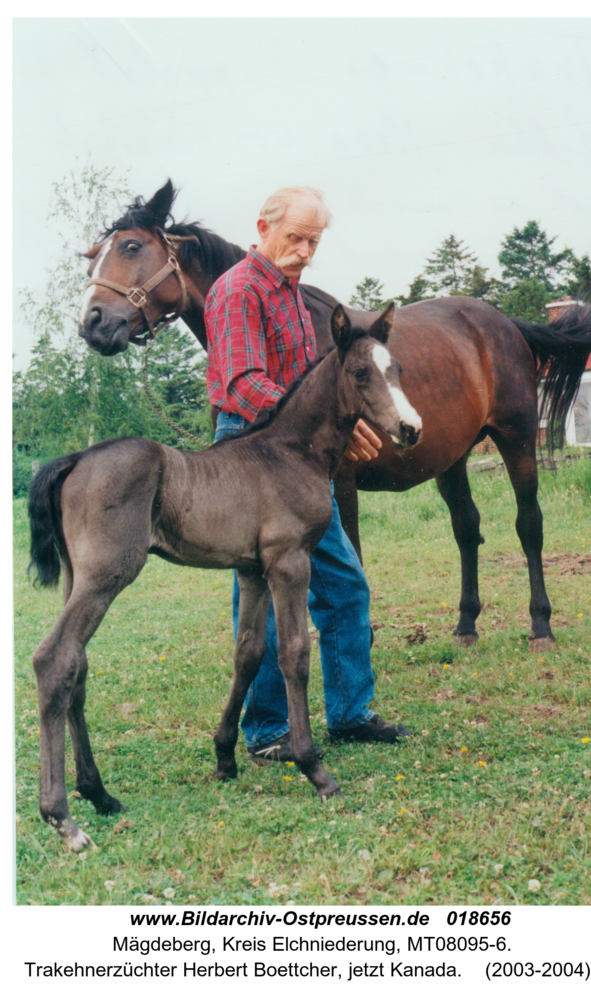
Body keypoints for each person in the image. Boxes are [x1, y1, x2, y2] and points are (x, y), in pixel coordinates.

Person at [205, 186, 410, 764]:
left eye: (313, 240)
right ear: (263, 227)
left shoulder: (292, 293)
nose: (303, 249)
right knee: (266, 596)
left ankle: (349, 713)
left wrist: (338, 431)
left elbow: (318, 386)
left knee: (344, 583)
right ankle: (267, 729)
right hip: (250, 450)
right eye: (294, 236)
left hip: (299, 458)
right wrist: (321, 433)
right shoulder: (239, 290)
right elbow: (245, 385)